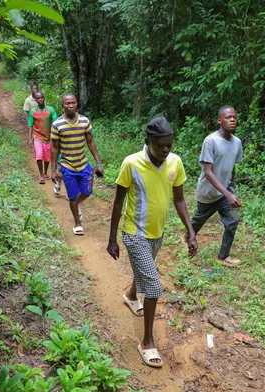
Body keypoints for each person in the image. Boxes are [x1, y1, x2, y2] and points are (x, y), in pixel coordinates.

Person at [107, 117, 198, 368]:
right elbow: (118, 203)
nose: (165, 150)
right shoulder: (131, 163)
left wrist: (191, 231)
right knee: (155, 287)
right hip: (134, 232)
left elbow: (179, 200)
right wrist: (112, 238)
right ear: (148, 142)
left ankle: (130, 294)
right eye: (160, 146)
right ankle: (147, 342)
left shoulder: (175, 163)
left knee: (144, 272)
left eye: (169, 144)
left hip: (157, 233)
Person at [189, 106, 243, 266]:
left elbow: (232, 166)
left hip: (225, 192)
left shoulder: (237, 142)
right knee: (199, 219)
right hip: (208, 192)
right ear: (219, 120)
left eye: (234, 117)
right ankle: (188, 237)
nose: (232, 120)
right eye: (228, 117)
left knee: (233, 221)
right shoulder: (211, 141)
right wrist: (228, 194)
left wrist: (231, 188)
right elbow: (208, 172)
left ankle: (223, 256)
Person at [50, 94, 103, 235]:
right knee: (72, 197)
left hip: (84, 164)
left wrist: (98, 163)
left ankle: (76, 204)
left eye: (73, 102)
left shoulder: (84, 121)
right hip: (67, 167)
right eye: (67, 103)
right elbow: (54, 147)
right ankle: (77, 223)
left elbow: (90, 142)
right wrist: (53, 170)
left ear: (77, 104)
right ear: (63, 105)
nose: (71, 105)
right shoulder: (57, 124)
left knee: (87, 191)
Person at [28, 92, 58, 184]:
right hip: (37, 137)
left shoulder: (50, 109)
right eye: (38, 98)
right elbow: (30, 125)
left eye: (41, 97)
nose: (40, 99)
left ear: (44, 98)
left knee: (47, 157)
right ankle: (41, 175)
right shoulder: (33, 111)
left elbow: (56, 122)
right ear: (36, 100)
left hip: (48, 137)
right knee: (39, 155)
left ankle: (45, 172)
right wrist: (30, 138)